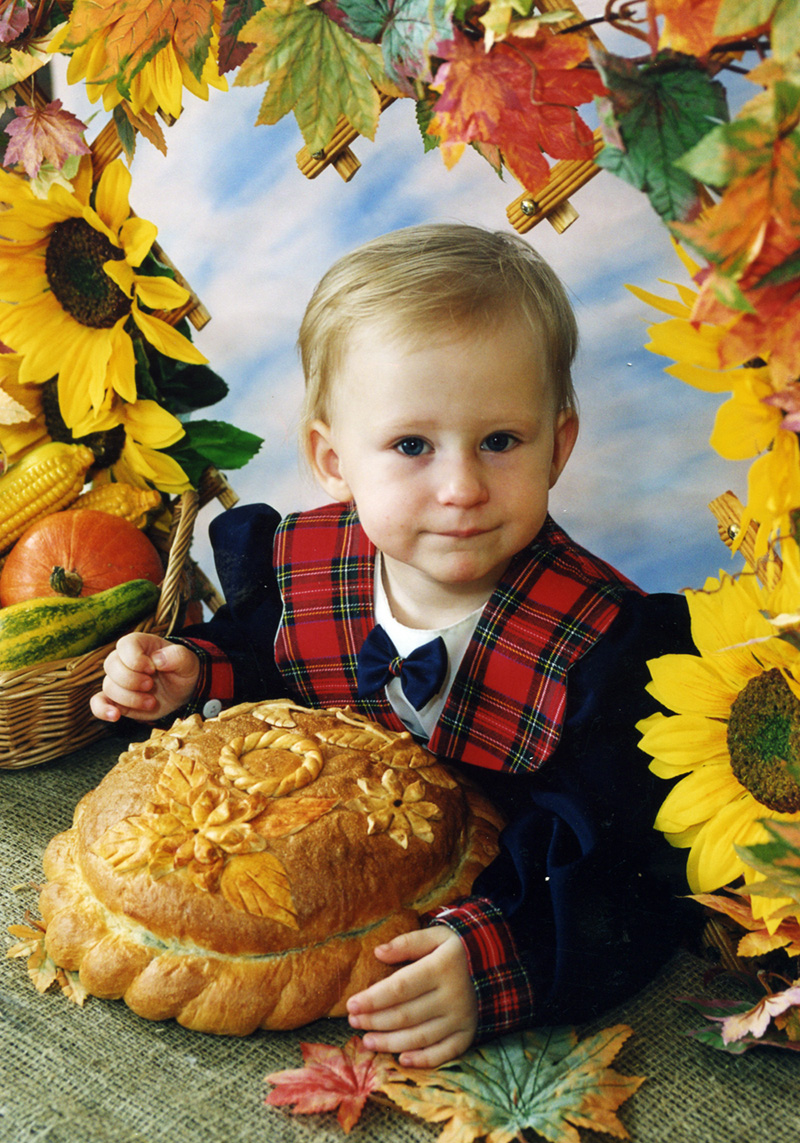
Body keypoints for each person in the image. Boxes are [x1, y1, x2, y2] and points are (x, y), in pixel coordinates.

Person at [91, 223, 695, 1067]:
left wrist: (494, 960)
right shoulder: (304, 561)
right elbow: (262, 657)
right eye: (413, 445)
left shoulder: (605, 649)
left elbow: (616, 864)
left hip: (480, 902)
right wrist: (191, 673)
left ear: (558, 445)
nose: (461, 487)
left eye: (500, 441)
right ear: (333, 459)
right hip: (326, 883)